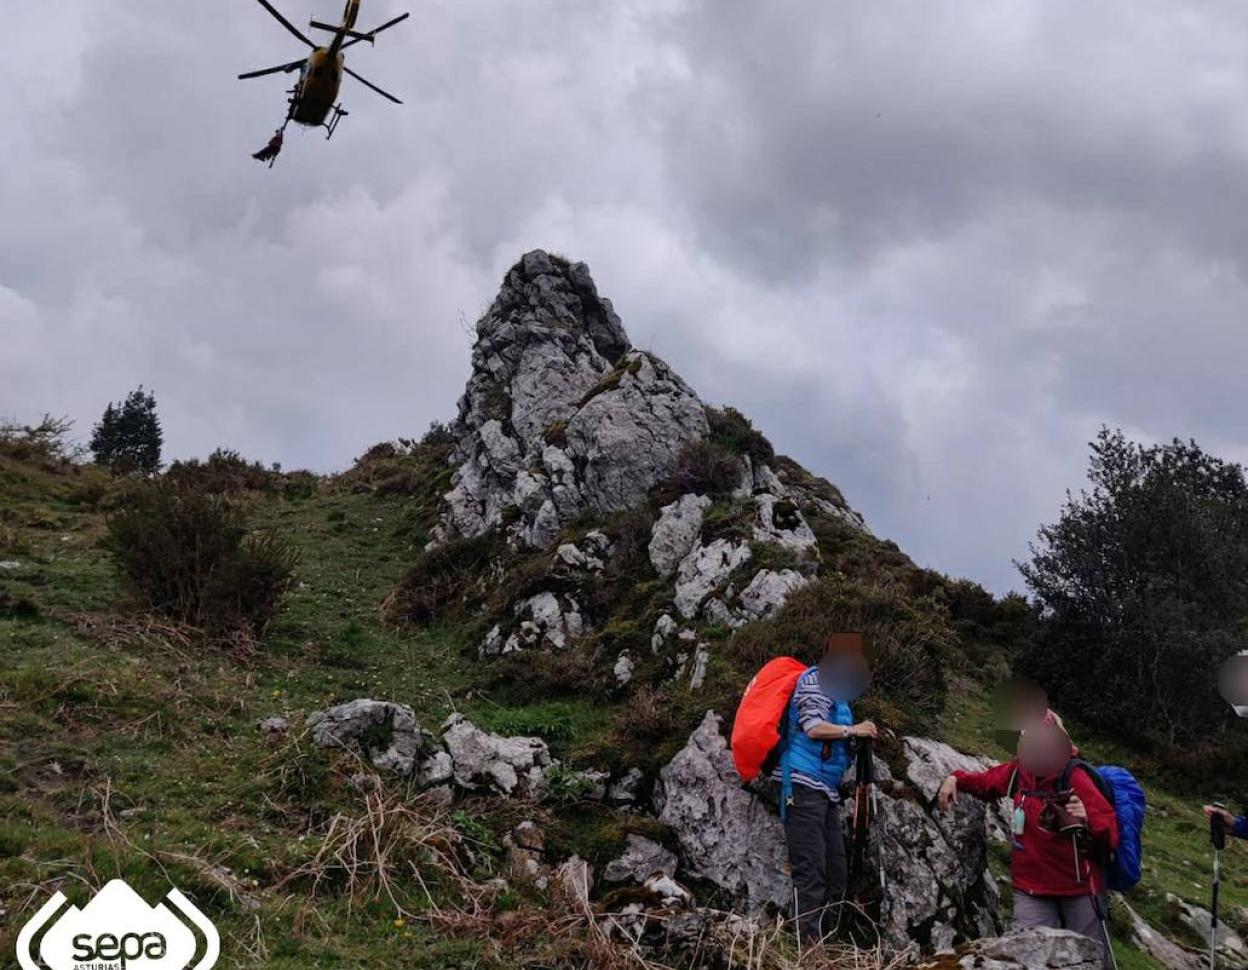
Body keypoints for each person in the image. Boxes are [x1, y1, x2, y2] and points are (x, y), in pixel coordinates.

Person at [937, 712, 1119, 967]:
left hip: (1079, 889)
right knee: (1023, 960)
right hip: (1031, 888)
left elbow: (1109, 832)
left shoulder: (1076, 776)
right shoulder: (1019, 772)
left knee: (1091, 961)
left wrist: (1087, 819)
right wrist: (955, 777)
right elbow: (986, 782)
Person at [773, 634, 878, 946]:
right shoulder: (816, 681)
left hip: (825, 791)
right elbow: (813, 726)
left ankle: (826, 945)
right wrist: (852, 730)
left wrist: (856, 739)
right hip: (801, 786)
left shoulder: (839, 694)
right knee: (812, 871)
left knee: (835, 873)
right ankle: (809, 950)